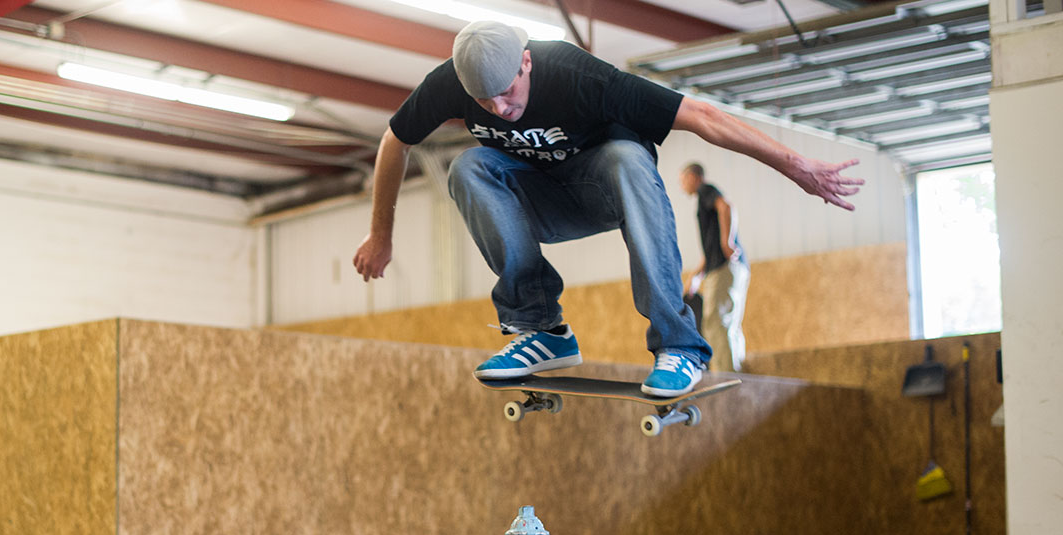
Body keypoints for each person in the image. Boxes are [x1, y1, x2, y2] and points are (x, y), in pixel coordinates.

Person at [353, 21, 861, 397]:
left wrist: (796, 166)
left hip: (610, 193)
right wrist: (381, 235)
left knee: (626, 155)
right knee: (468, 167)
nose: (500, 110)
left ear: (526, 62)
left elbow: (702, 116)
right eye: (483, 103)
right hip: (539, 203)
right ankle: (542, 330)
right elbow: (394, 141)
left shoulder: (580, 75)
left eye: (508, 92)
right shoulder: (451, 82)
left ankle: (679, 345)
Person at [681, 163, 749, 372]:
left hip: (724, 267)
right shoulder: (704, 198)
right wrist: (695, 275)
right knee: (727, 323)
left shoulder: (706, 191)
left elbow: (726, 206)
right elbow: (709, 250)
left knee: (715, 322)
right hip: (728, 267)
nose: (682, 184)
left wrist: (727, 242)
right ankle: (735, 371)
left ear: (693, 176)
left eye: (683, 179)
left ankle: (727, 377)